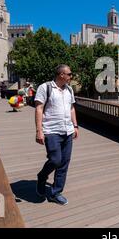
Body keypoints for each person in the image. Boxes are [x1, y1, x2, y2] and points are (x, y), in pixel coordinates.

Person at [34, 65, 79, 205]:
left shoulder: (69, 89)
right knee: (55, 160)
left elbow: (72, 108)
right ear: (61, 75)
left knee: (64, 162)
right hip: (51, 130)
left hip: (68, 130)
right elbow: (39, 108)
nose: (71, 76)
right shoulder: (45, 87)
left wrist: (75, 125)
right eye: (69, 74)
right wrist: (39, 130)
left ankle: (55, 192)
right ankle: (42, 176)